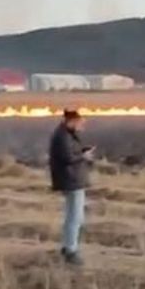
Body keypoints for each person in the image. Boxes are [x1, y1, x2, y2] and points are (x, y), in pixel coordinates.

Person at [48, 109, 94, 265]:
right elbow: (67, 157)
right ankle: (71, 251)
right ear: (72, 121)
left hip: (72, 179)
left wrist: (81, 152)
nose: (83, 126)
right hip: (71, 181)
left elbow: (69, 154)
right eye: (81, 123)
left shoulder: (65, 134)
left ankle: (68, 246)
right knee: (75, 217)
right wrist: (84, 156)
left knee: (73, 216)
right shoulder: (63, 136)